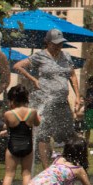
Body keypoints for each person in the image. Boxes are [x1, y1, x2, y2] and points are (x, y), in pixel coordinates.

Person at [14, 28, 81, 163]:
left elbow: (72, 76)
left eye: (60, 43)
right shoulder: (40, 56)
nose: (58, 46)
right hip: (44, 100)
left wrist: (78, 96)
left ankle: (65, 164)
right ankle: (46, 169)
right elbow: (18, 66)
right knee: (44, 134)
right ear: (48, 43)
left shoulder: (66, 56)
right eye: (55, 43)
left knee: (68, 133)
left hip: (62, 101)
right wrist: (33, 80)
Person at [0, 85, 39, 185]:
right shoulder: (32, 112)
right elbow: (37, 123)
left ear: (12, 100)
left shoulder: (8, 114)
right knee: (26, 174)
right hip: (28, 147)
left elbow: (8, 127)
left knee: (9, 174)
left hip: (13, 147)